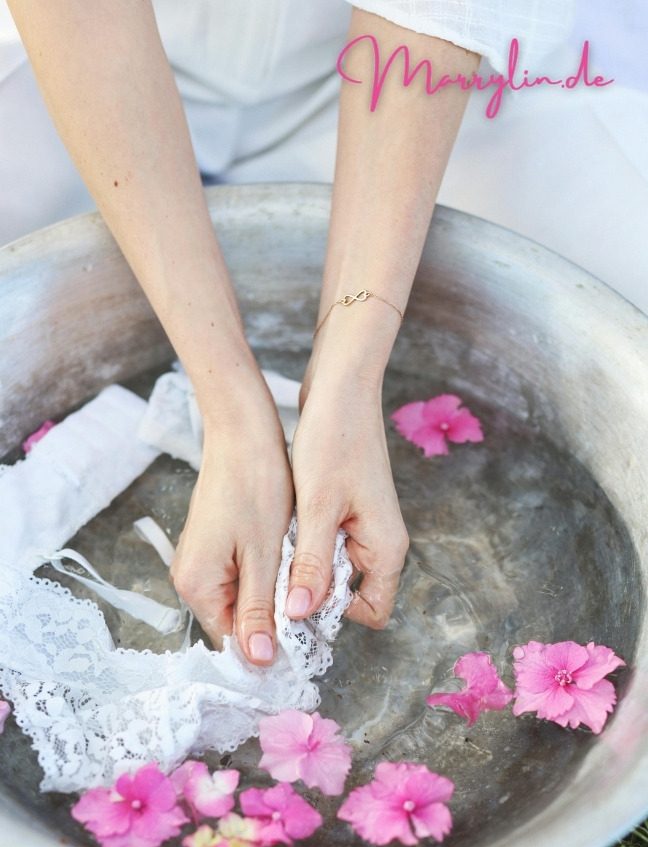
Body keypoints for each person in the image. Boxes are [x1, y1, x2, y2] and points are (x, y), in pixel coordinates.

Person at [3, 1, 571, 668]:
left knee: (595, 254)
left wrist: (346, 385)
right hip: (79, 68)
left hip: (375, 72)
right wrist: (233, 414)